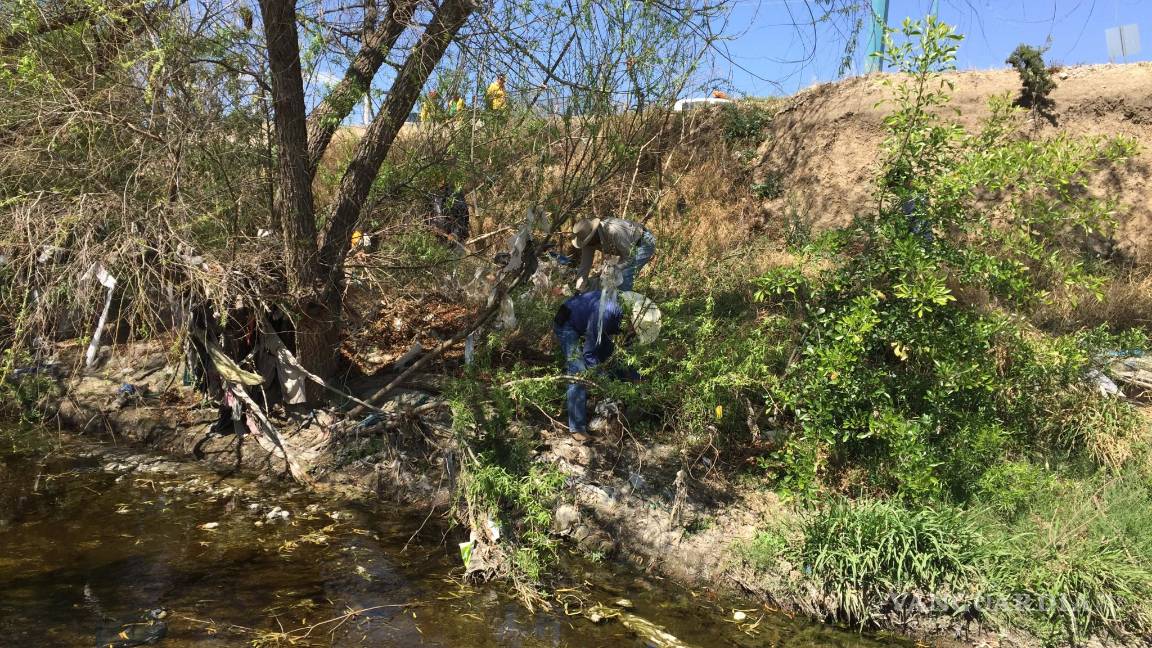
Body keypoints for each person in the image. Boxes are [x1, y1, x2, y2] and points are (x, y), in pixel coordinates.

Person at [553, 290, 659, 434]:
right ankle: (577, 429)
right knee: (578, 371)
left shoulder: (625, 317)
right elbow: (589, 353)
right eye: (635, 331)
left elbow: (623, 356)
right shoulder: (607, 315)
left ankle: (621, 399)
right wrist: (606, 384)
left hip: (592, 324)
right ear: (632, 320)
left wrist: (637, 378)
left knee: (614, 360)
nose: (634, 334)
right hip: (567, 322)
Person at [571, 216, 656, 292]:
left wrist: (614, 268)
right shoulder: (587, 241)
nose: (589, 244)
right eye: (587, 242)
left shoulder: (613, 230)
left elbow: (629, 256)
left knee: (624, 275)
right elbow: (585, 264)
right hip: (627, 248)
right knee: (603, 278)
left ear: (594, 233)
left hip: (642, 242)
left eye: (589, 240)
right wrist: (580, 284)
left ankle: (624, 304)